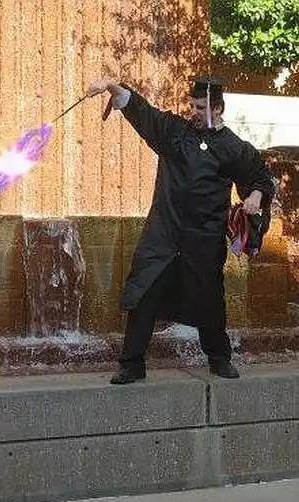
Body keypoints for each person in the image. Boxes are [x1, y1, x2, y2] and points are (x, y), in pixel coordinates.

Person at [86, 76, 276, 384]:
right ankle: (131, 364)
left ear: (218, 108)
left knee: (210, 299)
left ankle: (219, 359)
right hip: (164, 232)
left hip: (204, 237)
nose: (194, 112)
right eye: (193, 106)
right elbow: (142, 110)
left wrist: (254, 196)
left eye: (201, 107)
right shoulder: (174, 132)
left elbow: (260, 177)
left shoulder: (232, 147)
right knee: (144, 292)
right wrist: (111, 85)